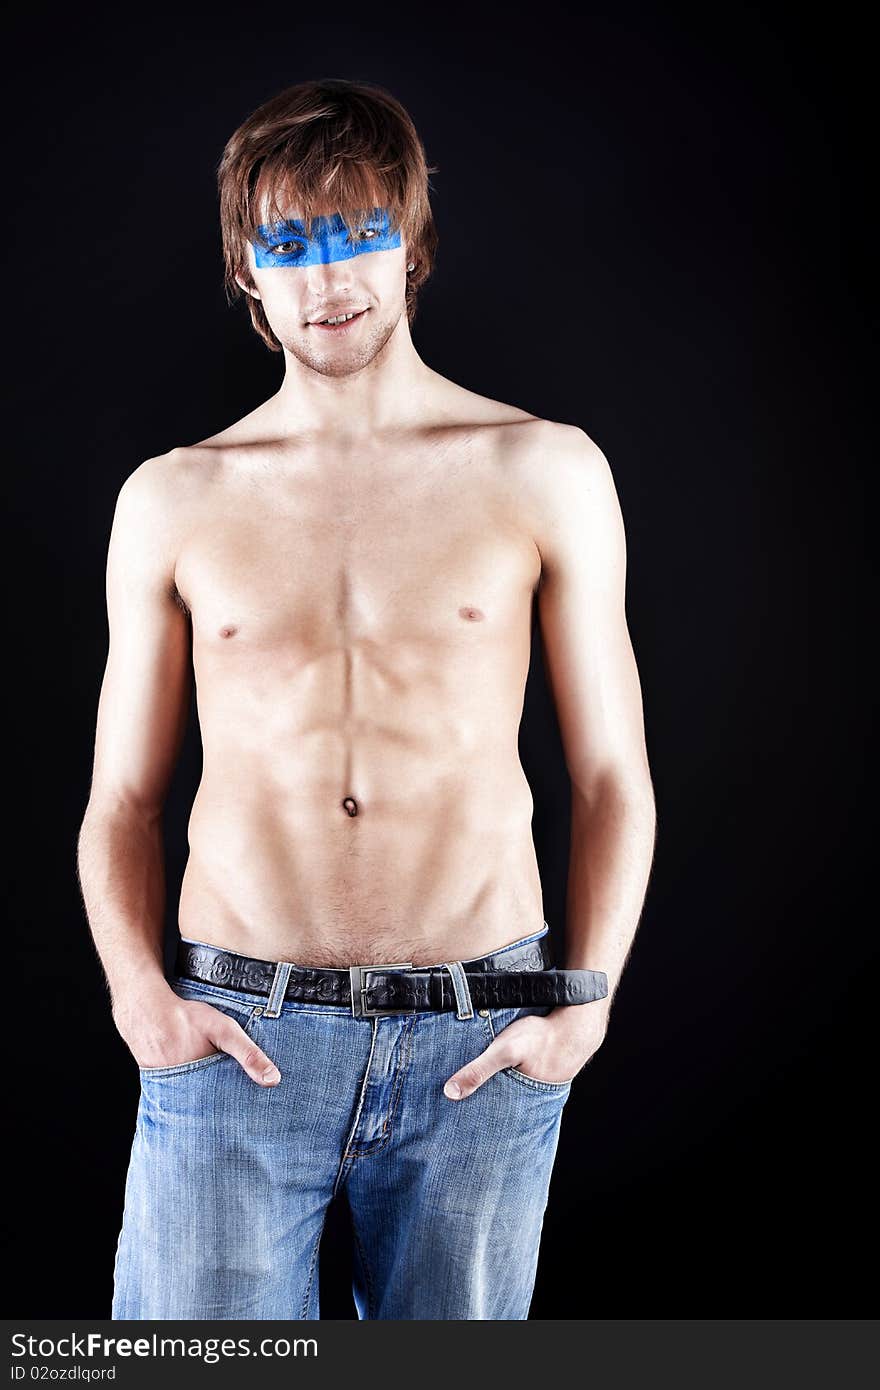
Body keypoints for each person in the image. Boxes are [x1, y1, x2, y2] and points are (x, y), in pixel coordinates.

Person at [77, 77, 656, 1321]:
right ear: (246, 270)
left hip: (480, 1040)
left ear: (412, 244)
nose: (327, 276)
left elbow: (612, 775)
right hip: (239, 1043)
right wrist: (140, 996)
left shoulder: (539, 469)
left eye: (359, 233)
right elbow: (121, 796)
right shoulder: (174, 497)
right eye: (289, 243)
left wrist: (582, 1010)